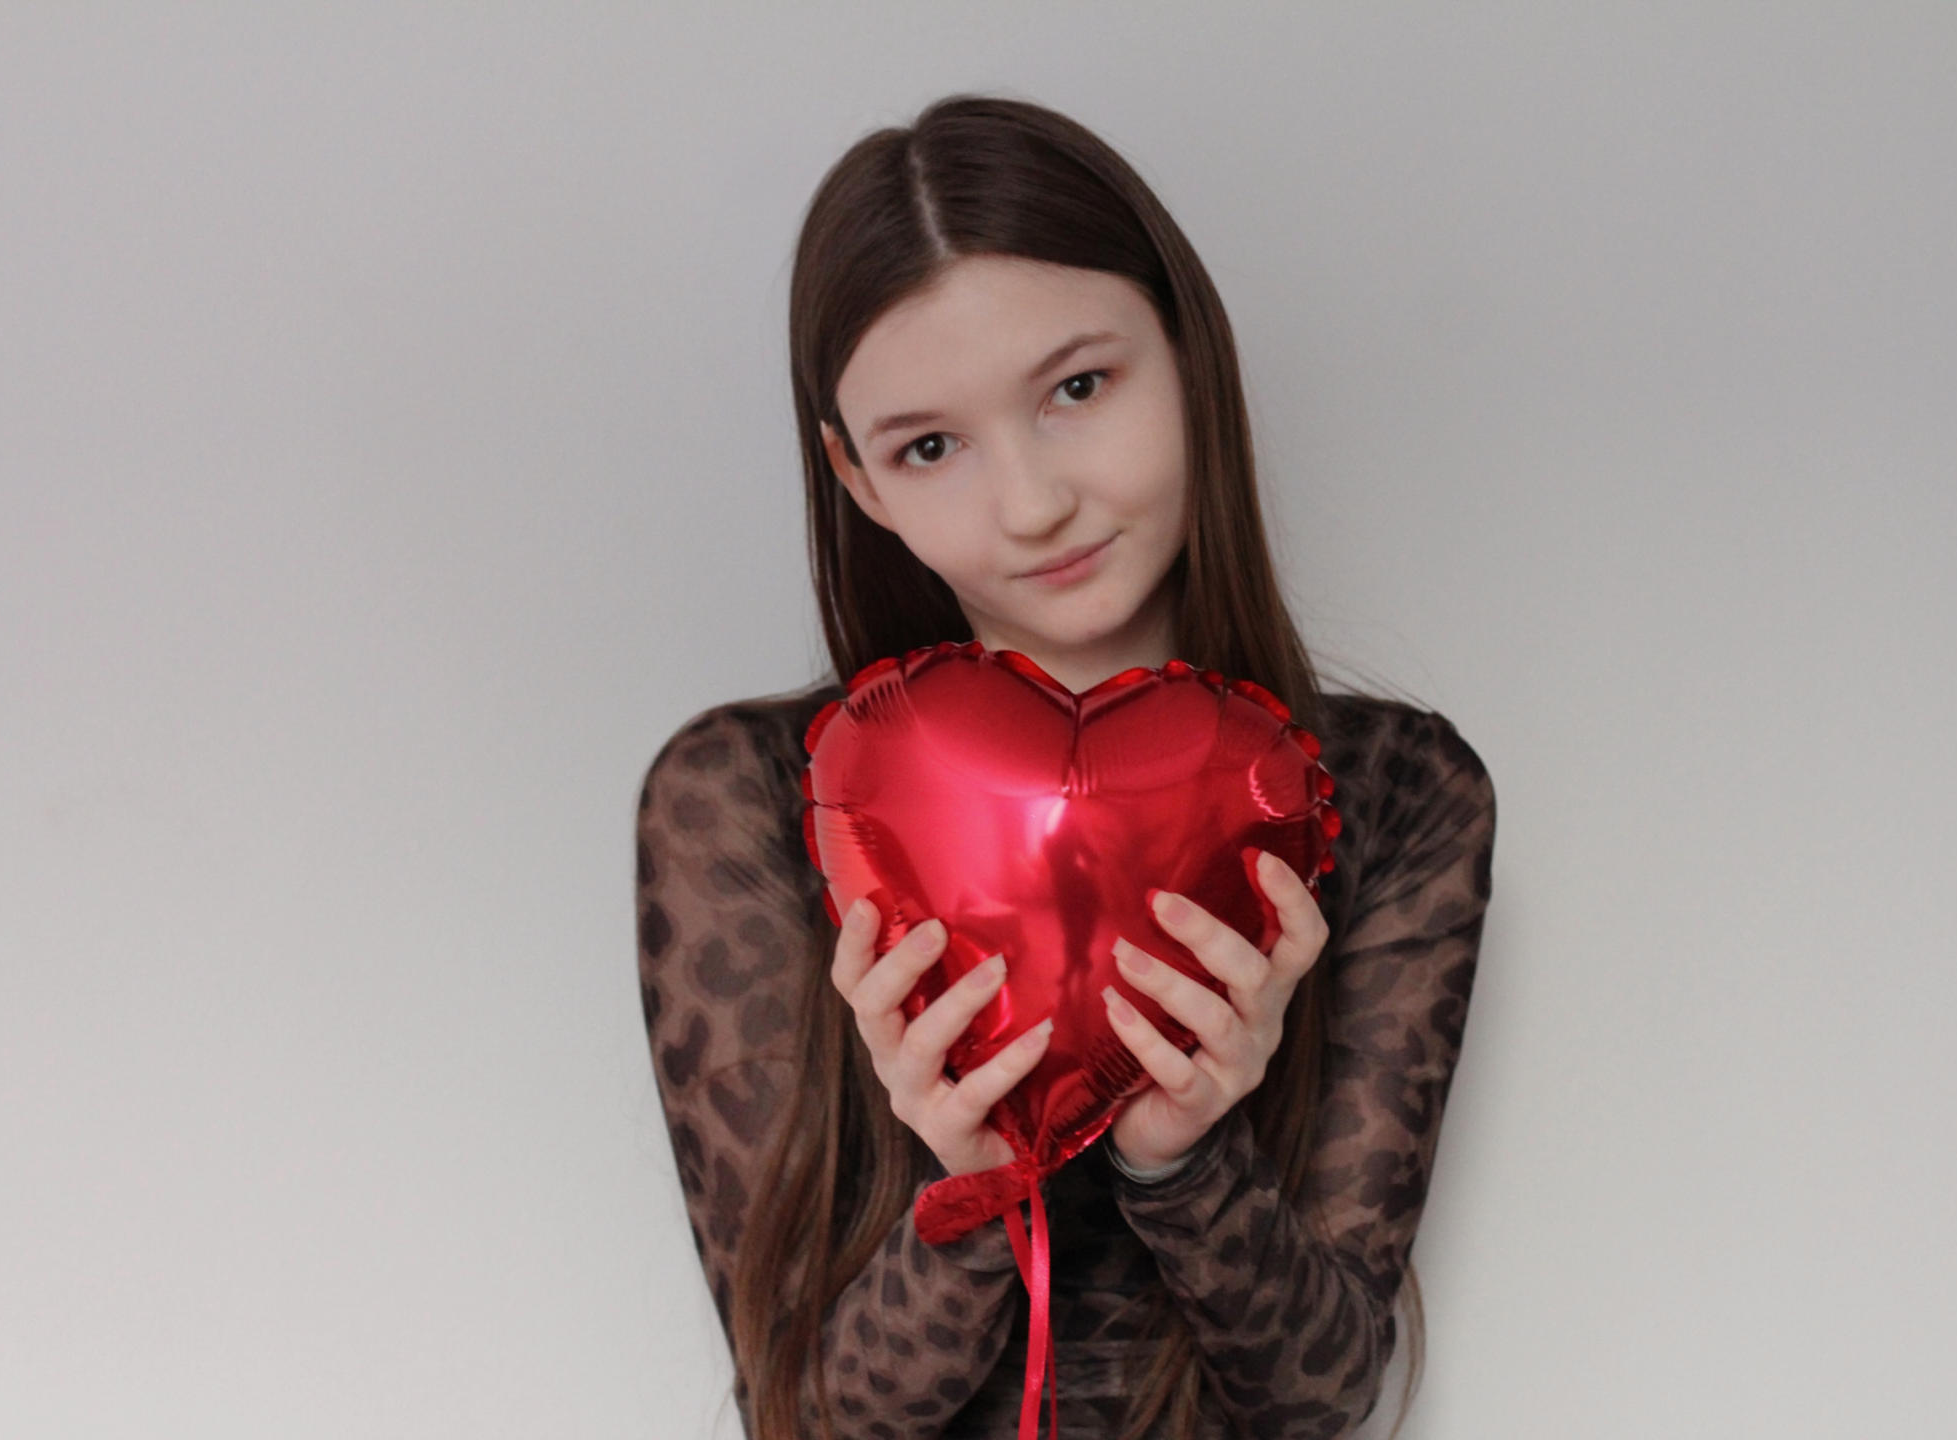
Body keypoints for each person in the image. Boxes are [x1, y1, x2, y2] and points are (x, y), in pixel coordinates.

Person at [635, 93, 1497, 1440]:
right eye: (931, 447)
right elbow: (802, 1418)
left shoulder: (1393, 792)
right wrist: (973, 1184)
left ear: (1190, 354)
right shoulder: (747, 798)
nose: (1033, 504)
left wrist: (1184, 1159)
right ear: (858, 480)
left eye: (1078, 389)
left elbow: (1322, 1395)